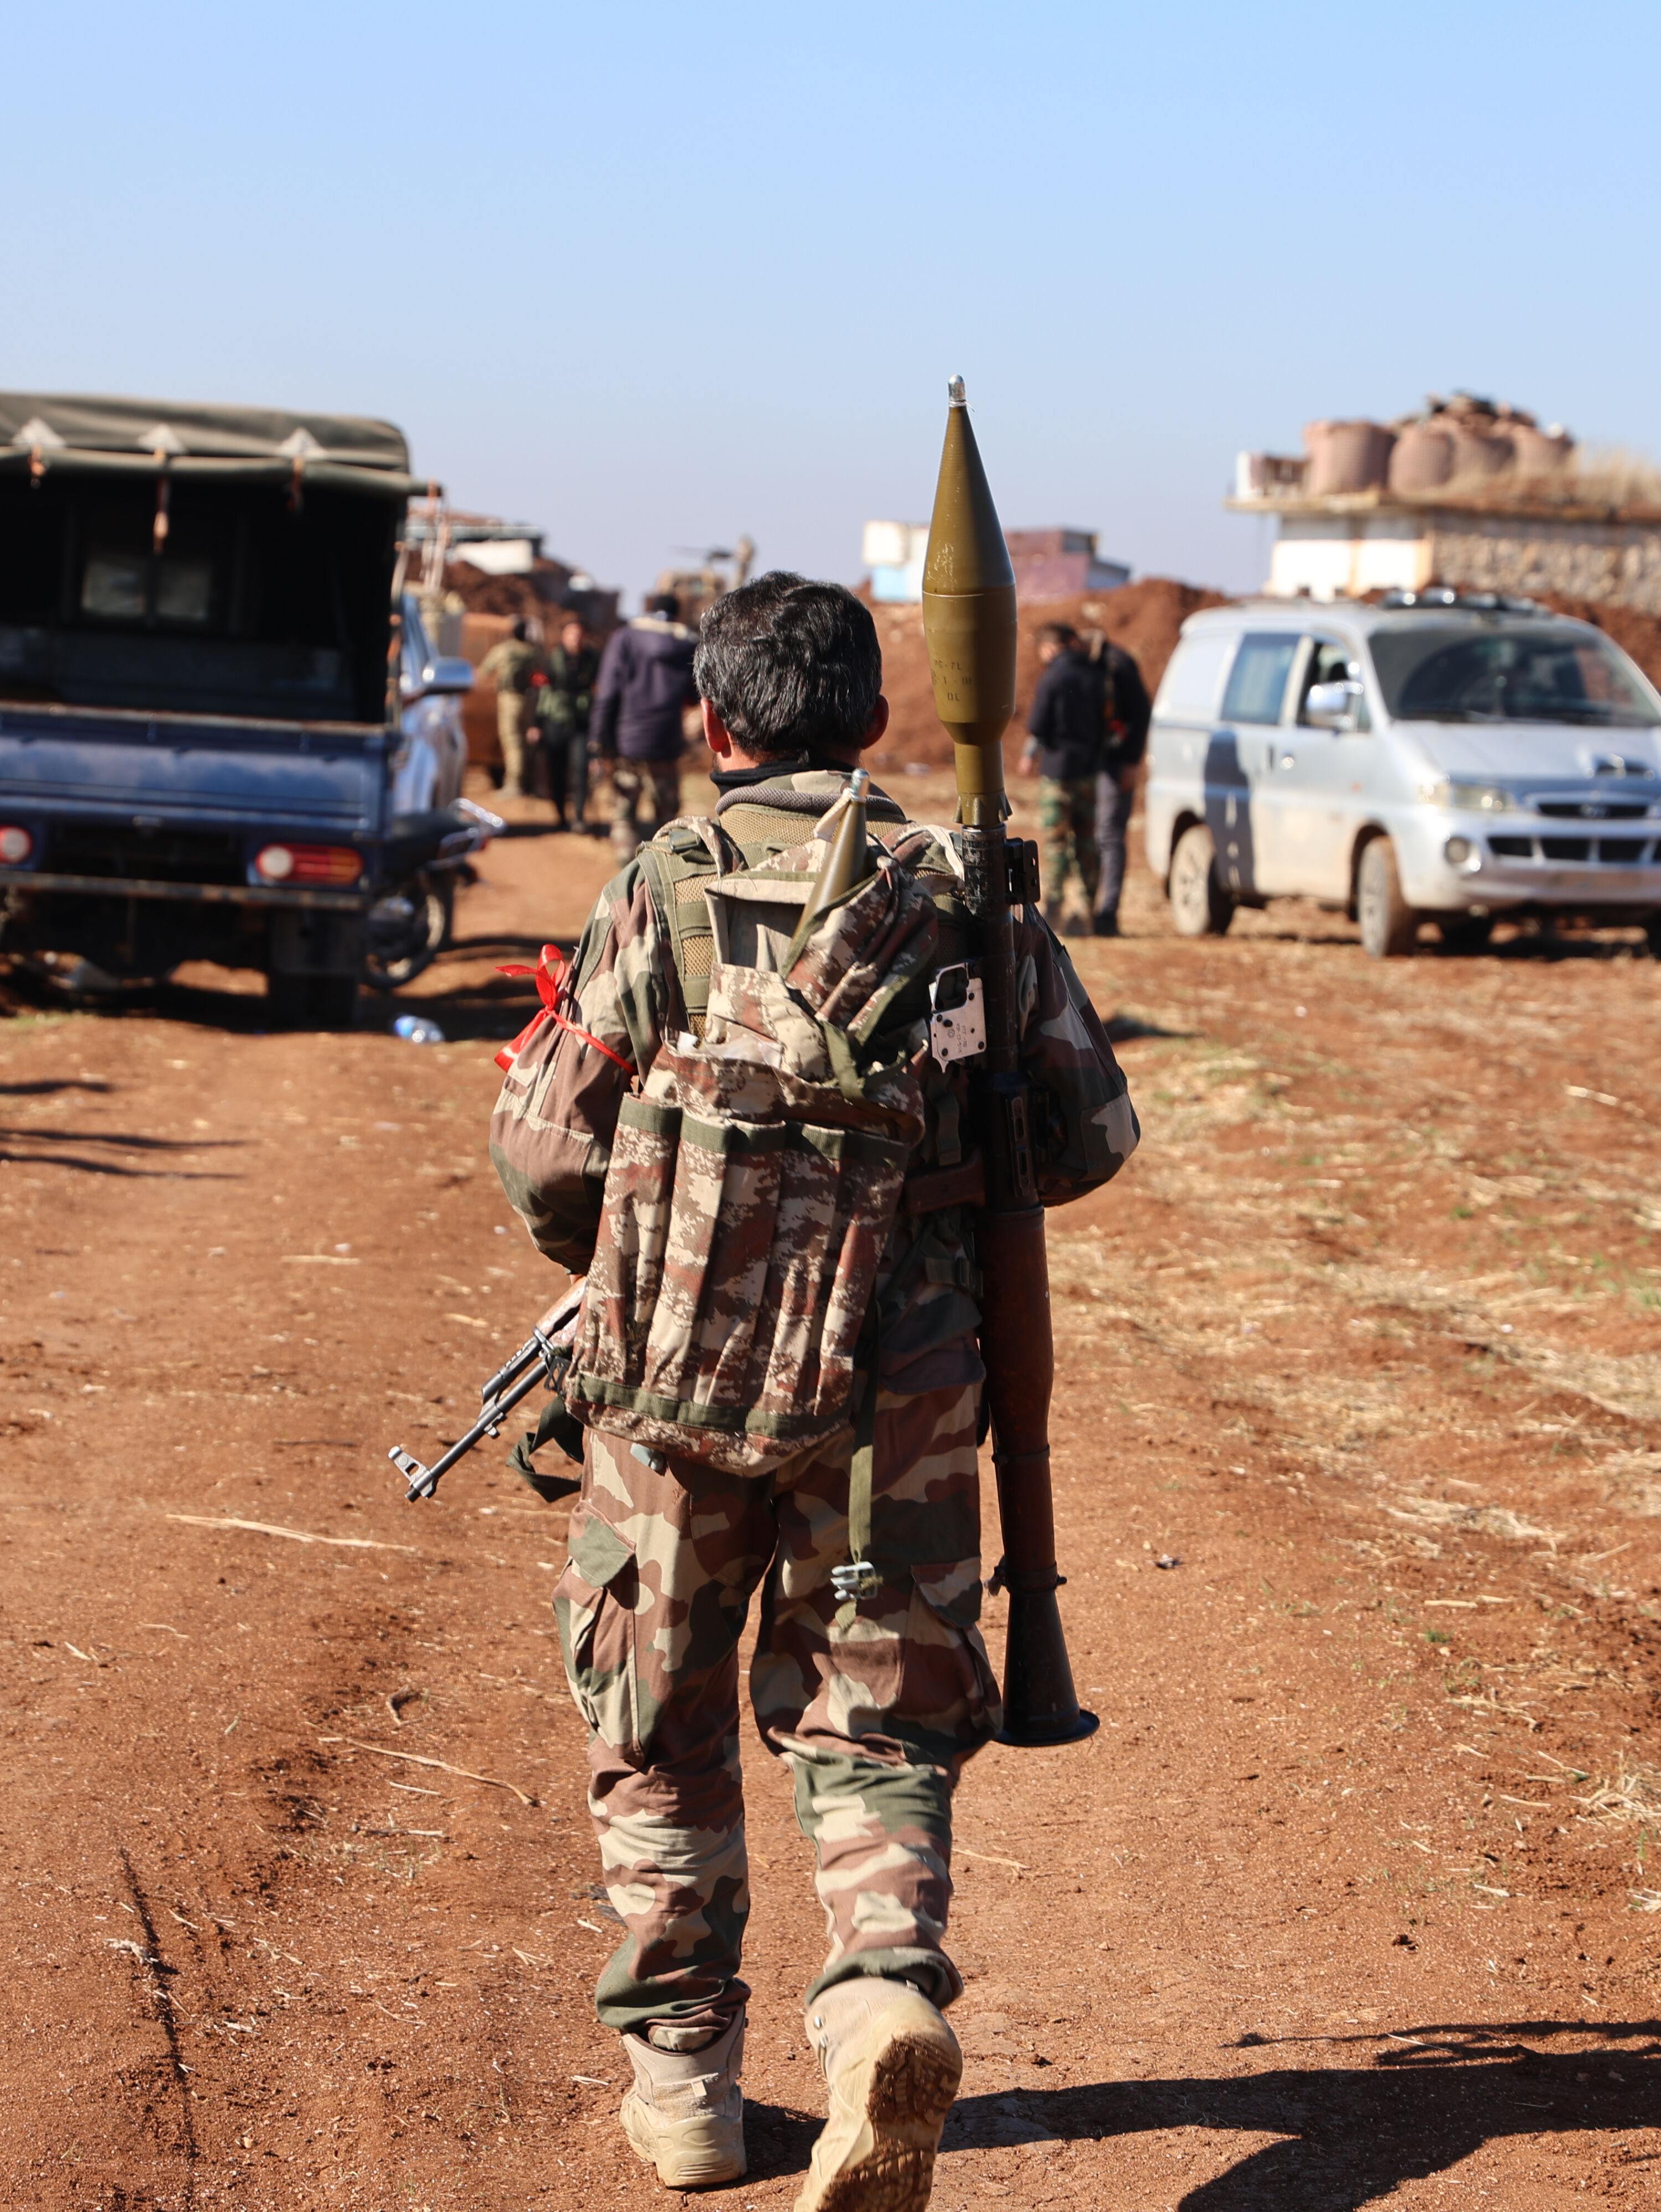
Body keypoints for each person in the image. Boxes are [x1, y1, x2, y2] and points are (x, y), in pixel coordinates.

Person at [489, 572, 1137, 2207]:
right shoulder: (955, 895)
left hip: (669, 1386)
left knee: (659, 1711)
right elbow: (1079, 1142)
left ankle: (686, 2091)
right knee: (874, 1713)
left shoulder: (656, 885)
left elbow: (549, 1160)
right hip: (897, 1397)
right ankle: (879, 2002)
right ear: (869, 721)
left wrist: (671, 1234)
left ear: (711, 725)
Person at [589, 588, 698, 863]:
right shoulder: (688, 645)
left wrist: (599, 741)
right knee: (666, 812)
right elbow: (694, 695)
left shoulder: (625, 638)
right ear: (676, 614)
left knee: (625, 808)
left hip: (628, 742)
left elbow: (607, 694)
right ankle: (666, 865)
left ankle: (627, 864)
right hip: (667, 741)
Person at [1016, 622, 1105, 933]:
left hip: (1058, 773)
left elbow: (1039, 725)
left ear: (1051, 648)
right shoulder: (1096, 676)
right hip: (1090, 773)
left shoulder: (1052, 677)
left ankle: (1053, 909)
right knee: (1086, 844)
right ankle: (1085, 911)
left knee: (1056, 843)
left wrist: (1029, 755)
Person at [1084, 624, 1150, 936]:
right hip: (1096, 764)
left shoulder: (1116, 665)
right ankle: (1091, 910)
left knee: (1109, 835)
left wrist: (1130, 761)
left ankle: (1107, 914)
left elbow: (1140, 713)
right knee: (1096, 837)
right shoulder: (1094, 665)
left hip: (1116, 763)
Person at [518, 614, 597, 829]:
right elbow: (538, 692)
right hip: (555, 722)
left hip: (581, 722)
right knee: (557, 772)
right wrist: (535, 724)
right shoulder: (550, 660)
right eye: (571, 634)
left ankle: (579, 817)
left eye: (579, 635)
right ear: (563, 636)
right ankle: (561, 816)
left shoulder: (593, 660)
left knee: (580, 769)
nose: (575, 639)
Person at [471, 620, 540, 797]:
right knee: (527, 744)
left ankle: (514, 785)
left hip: (510, 700)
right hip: (530, 701)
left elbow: (484, 671)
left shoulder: (504, 650)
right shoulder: (533, 652)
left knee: (513, 743)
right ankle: (531, 783)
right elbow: (541, 677)